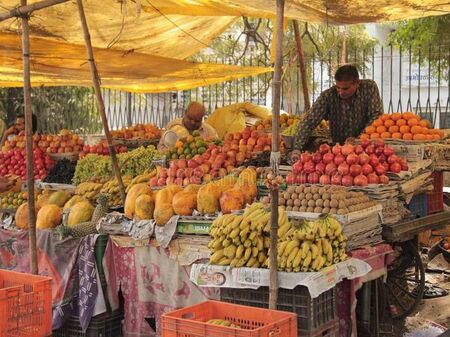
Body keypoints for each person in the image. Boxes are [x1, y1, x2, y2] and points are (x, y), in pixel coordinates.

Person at [293, 65, 383, 152]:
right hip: (339, 149)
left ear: (357, 83)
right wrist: (297, 148)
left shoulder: (369, 88)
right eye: (338, 88)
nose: (340, 92)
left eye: (345, 89)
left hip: (367, 147)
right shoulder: (328, 96)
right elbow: (309, 121)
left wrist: (358, 139)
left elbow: (376, 116)